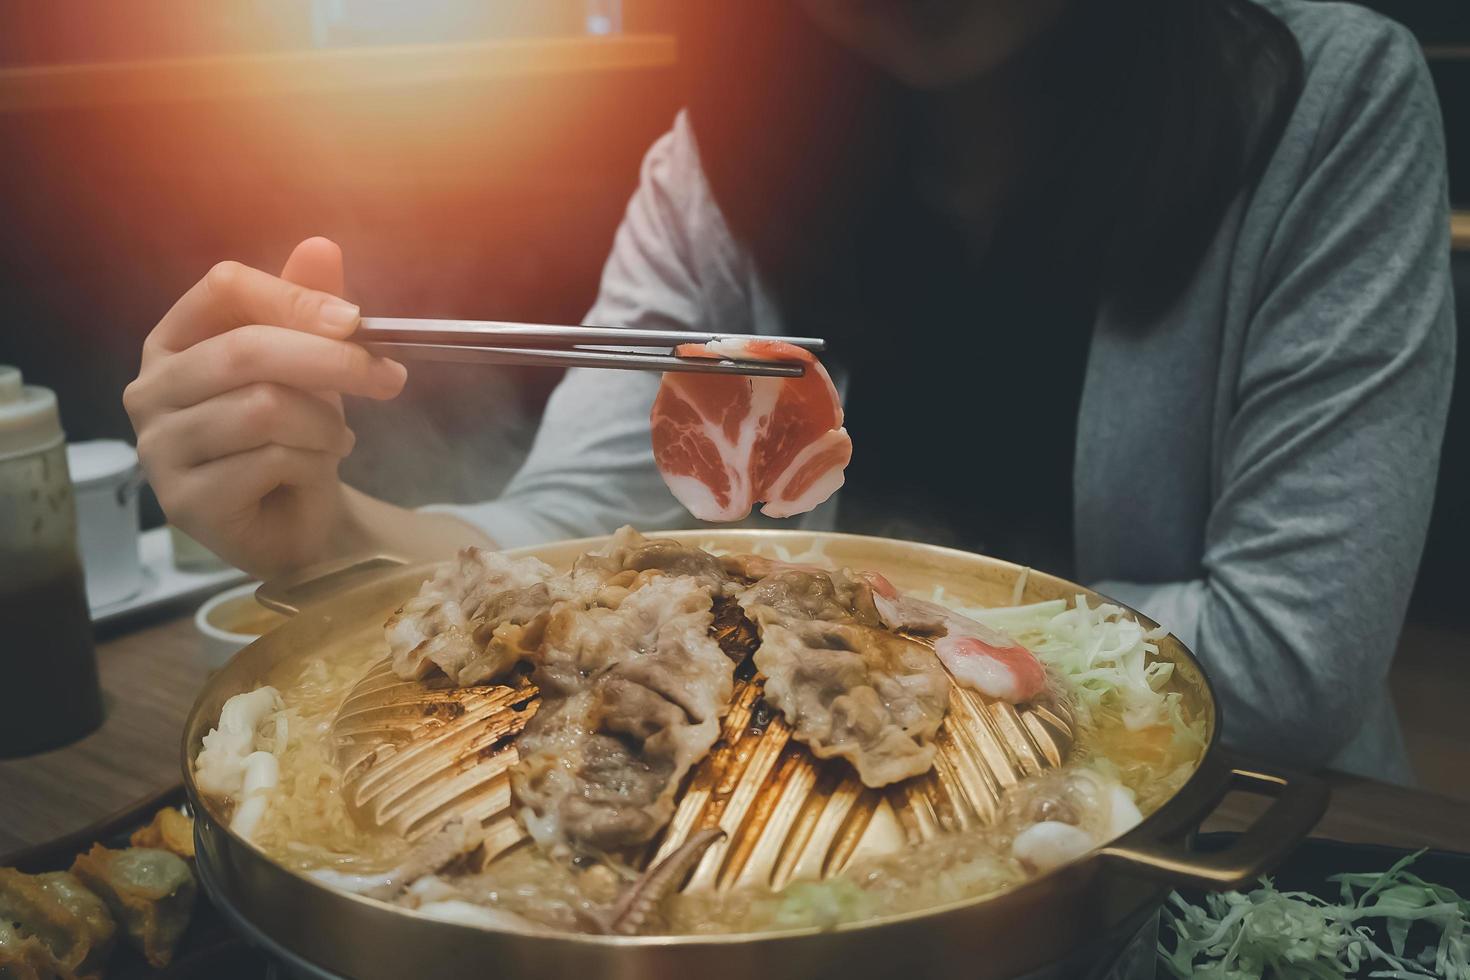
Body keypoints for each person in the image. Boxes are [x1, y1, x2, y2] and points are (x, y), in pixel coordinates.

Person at [124, 0, 1454, 783]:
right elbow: (583, 526)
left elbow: (1285, 663)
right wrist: (336, 530)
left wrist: (826, 613)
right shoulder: (721, 164)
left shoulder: (1315, 100)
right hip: (823, 838)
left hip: (1223, 831)